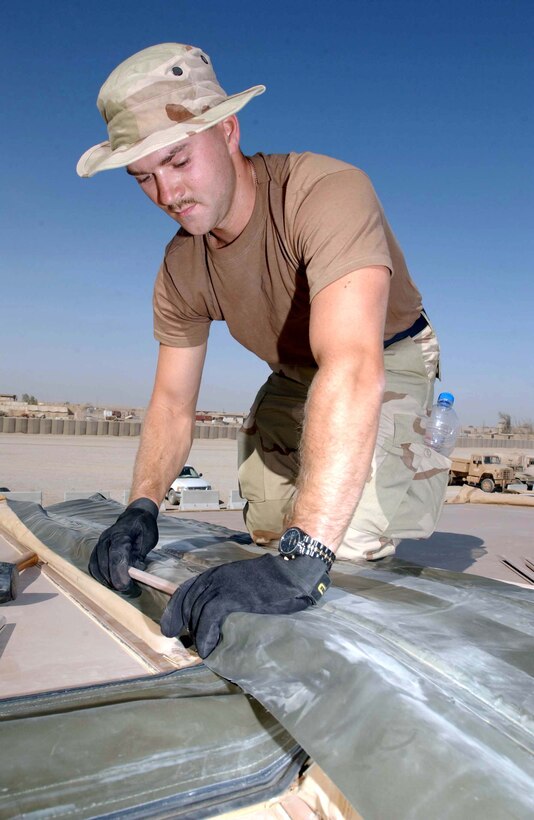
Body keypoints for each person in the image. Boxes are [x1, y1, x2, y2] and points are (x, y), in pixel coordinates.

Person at [78, 43, 450, 658]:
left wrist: (305, 556)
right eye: (142, 177)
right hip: (296, 370)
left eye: (176, 160)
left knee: (334, 547)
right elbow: (172, 403)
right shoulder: (180, 267)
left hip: (382, 354)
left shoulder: (325, 191)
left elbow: (354, 364)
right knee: (270, 527)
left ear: (227, 129)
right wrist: (141, 506)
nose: (167, 193)